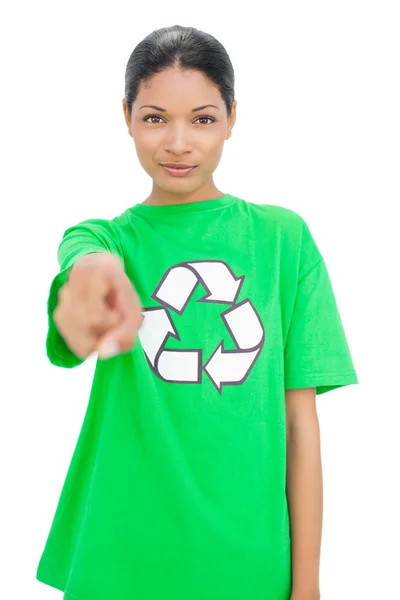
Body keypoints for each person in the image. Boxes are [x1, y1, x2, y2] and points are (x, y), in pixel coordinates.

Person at [36, 24, 359, 600]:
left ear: (233, 118)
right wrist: (92, 281)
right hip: (121, 550)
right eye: (155, 117)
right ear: (127, 116)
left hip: (249, 557)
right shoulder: (108, 240)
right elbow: (83, 259)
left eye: (203, 119)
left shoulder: (283, 240)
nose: (178, 143)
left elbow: (299, 423)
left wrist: (307, 583)